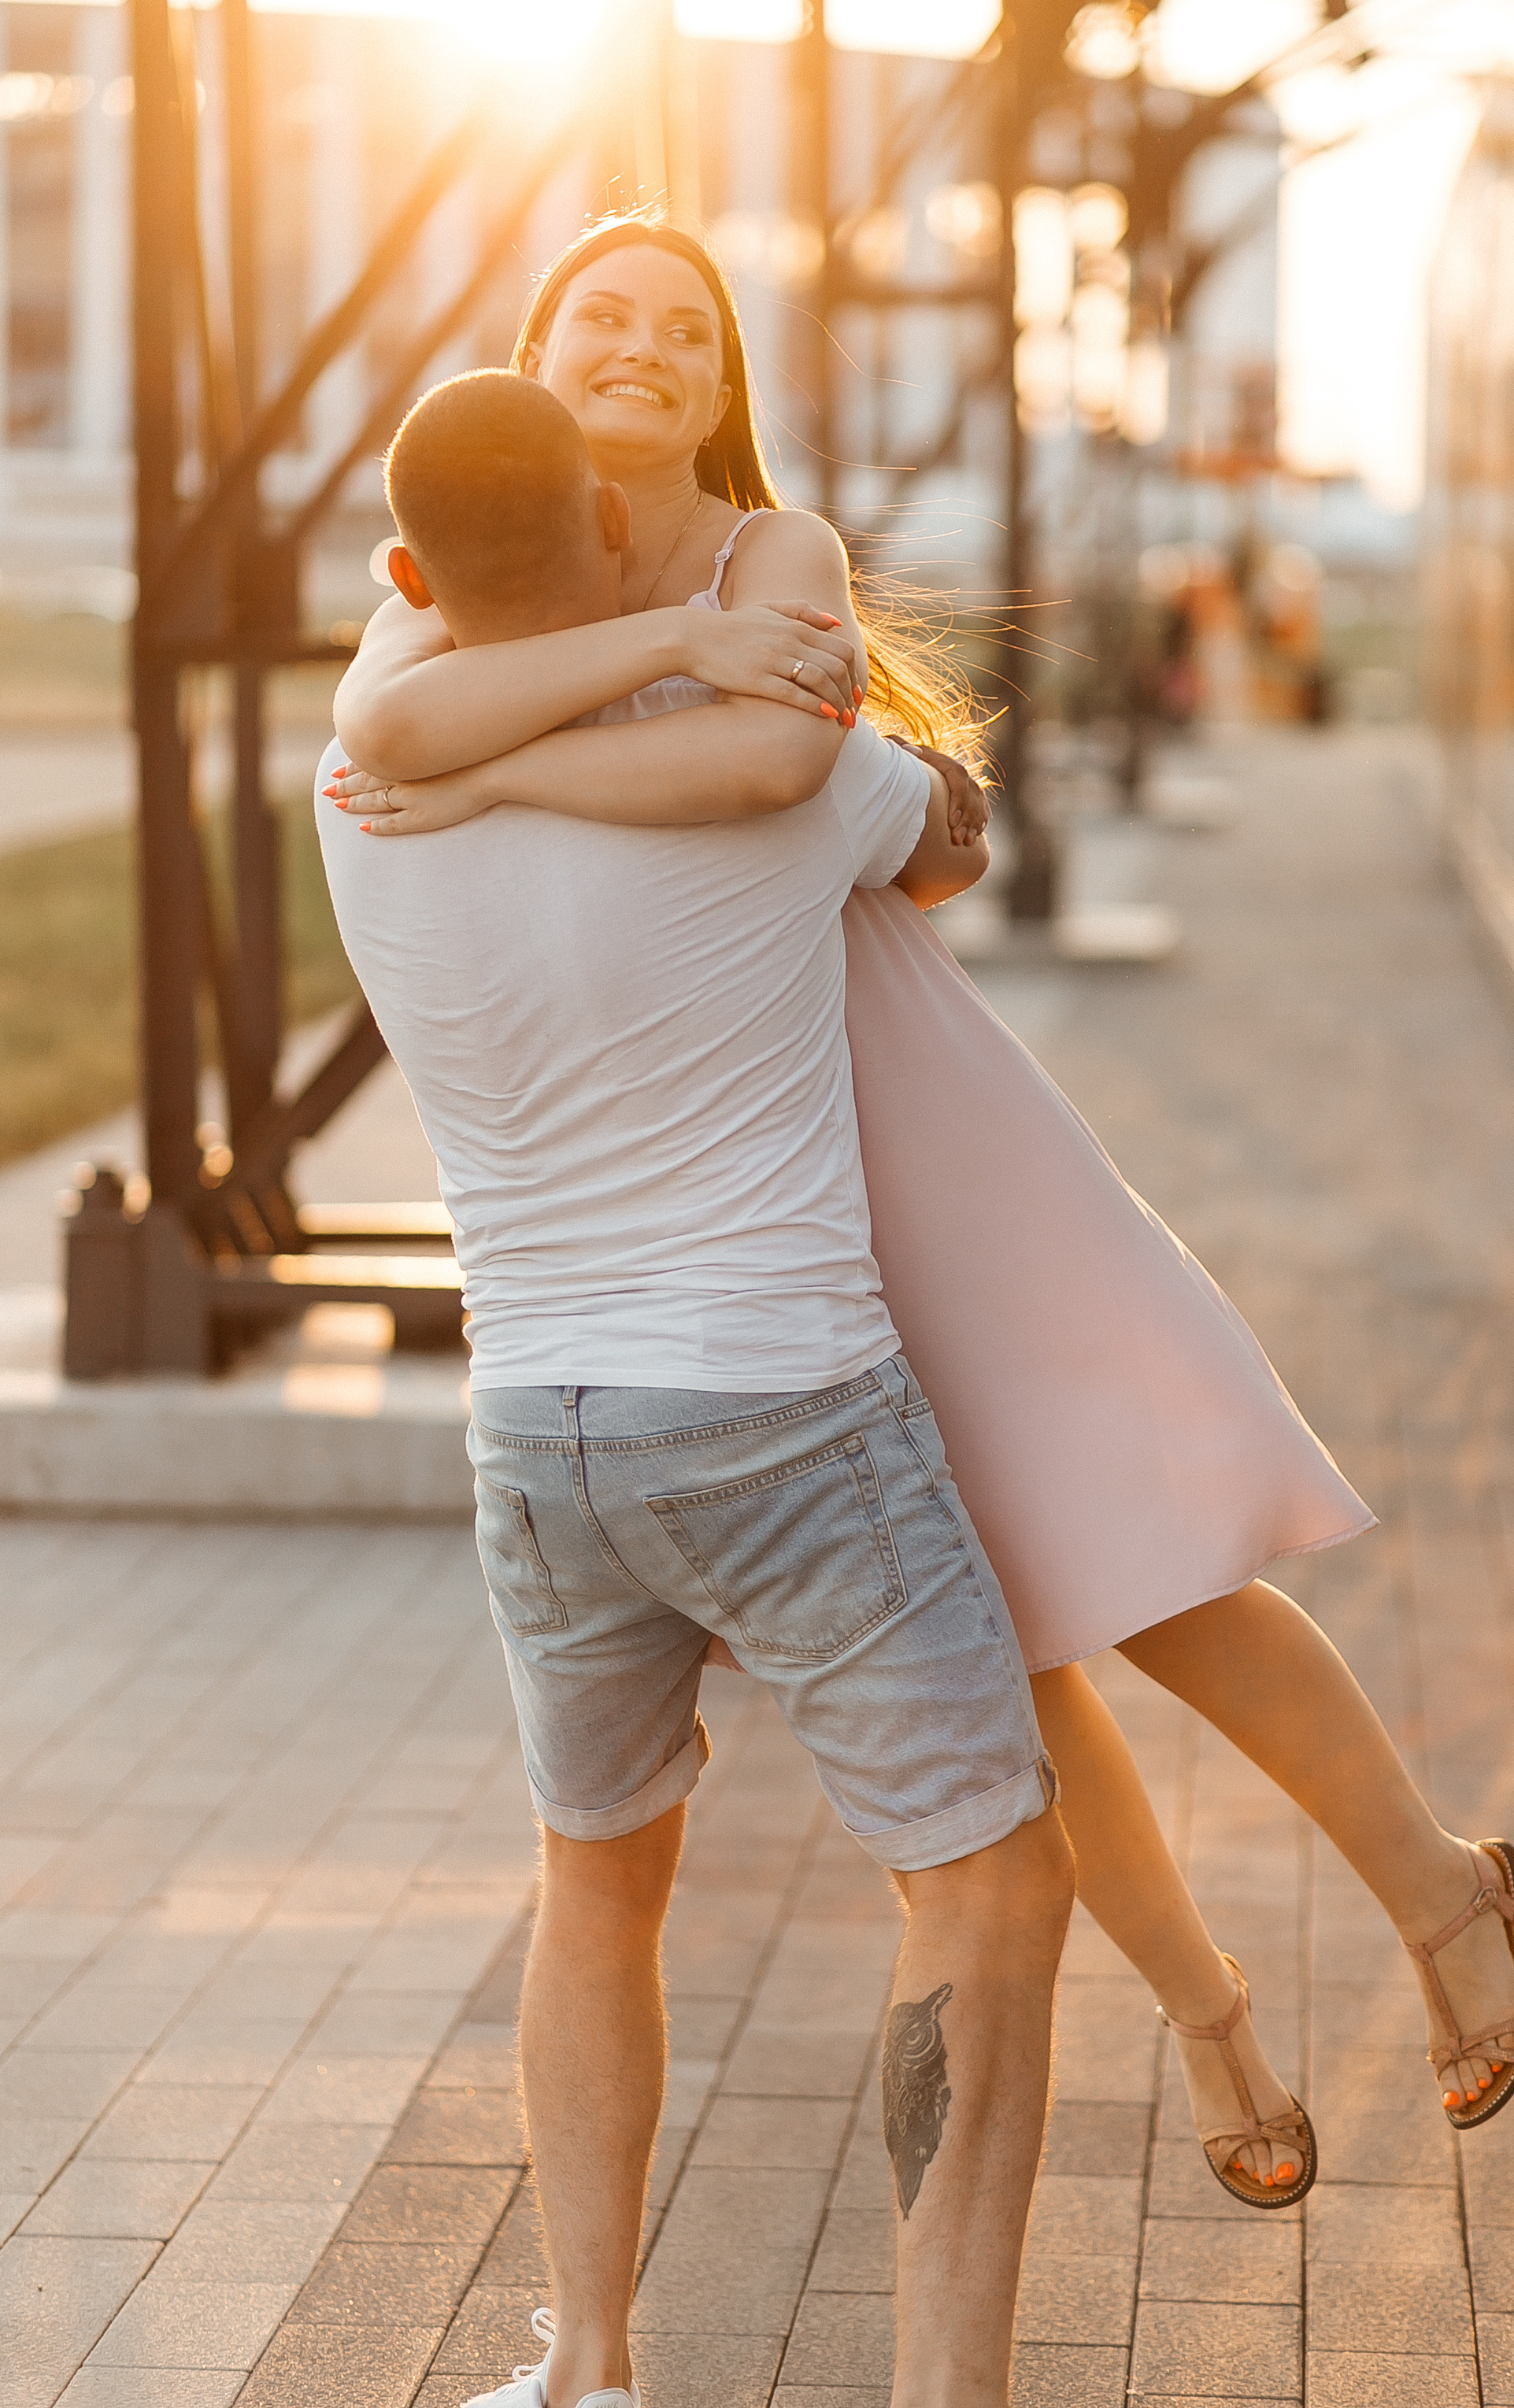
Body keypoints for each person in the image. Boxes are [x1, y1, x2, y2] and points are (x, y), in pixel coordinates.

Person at [328, 216, 1514, 2195]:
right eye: (600, 320)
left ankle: (1440, 1893)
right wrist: (573, 710)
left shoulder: (769, 561)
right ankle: (1219, 2029)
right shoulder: (437, 581)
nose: (641, 349)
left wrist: (510, 770)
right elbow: (381, 738)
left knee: (1138, 1566)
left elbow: (763, 772)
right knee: (1018, 1658)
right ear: (535, 358)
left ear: (721, 390)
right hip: (715, 1183)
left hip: (883, 1111)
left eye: (684, 332)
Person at [316, 368, 1077, 2408]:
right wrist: (738, 641)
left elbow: (400, 710)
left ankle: (588, 2367)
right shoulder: (764, 776)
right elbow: (953, 836)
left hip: (536, 1432)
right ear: (612, 525)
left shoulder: (365, 801)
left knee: (594, 1866)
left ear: (405, 575)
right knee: (987, 1871)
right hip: (778, 1404)